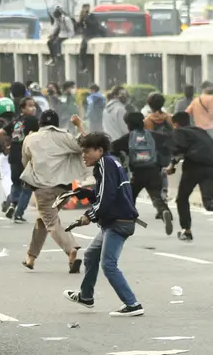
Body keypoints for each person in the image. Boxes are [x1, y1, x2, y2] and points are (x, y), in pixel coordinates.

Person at [64, 132, 144, 317]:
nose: (83, 155)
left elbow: (107, 198)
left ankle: (132, 304)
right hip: (115, 220)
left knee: (108, 264)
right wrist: (88, 194)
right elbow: (105, 194)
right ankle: (86, 296)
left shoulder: (105, 164)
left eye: (86, 151)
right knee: (91, 255)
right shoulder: (108, 162)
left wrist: (89, 215)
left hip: (119, 222)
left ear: (99, 150)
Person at [20, 110, 85, 272]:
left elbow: (25, 161)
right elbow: (84, 144)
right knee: (43, 220)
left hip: (43, 188)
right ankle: (31, 257)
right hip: (64, 189)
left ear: (40, 123)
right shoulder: (65, 136)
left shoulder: (30, 138)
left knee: (51, 222)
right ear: (57, 124)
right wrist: (80, 126)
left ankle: (71, 249)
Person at [167, 111, 213, 242]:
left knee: (182, 199)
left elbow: (178, 149)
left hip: (193, 168)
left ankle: (186, 231)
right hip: (210, 168)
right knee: (208, 202)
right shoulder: (200, 131)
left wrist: (172, 165)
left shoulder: (179, 132)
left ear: (175, 124)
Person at [111, 112, 173, 234]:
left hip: (138, 173)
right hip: (154, 172)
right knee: (156, 196)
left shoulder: (128, 138)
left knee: (130, 196)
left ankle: (128, 220)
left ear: (128, 125)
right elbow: (169, 142)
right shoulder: (153, 135)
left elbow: (112, 147)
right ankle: (163, 211)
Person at [0, 97, 37, 221]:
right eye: (30, 105)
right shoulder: (33, 120)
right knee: (28, 185)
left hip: (13, 154)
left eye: (34, 105)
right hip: (26, 156)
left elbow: (0, 132)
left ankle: (13, 204)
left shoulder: (16, 121)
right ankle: (19, 213)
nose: (33, 108)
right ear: (22, 108)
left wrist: (7, 145)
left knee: (16, 182)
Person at [185, 80, 213, 153]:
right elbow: (212, 114)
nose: (212, 89)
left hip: (199, 130)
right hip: (211, 129)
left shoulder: (195, 100)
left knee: (203, 150)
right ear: (205, 88)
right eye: (210, 87)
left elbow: (186, 112)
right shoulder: (211, 98)